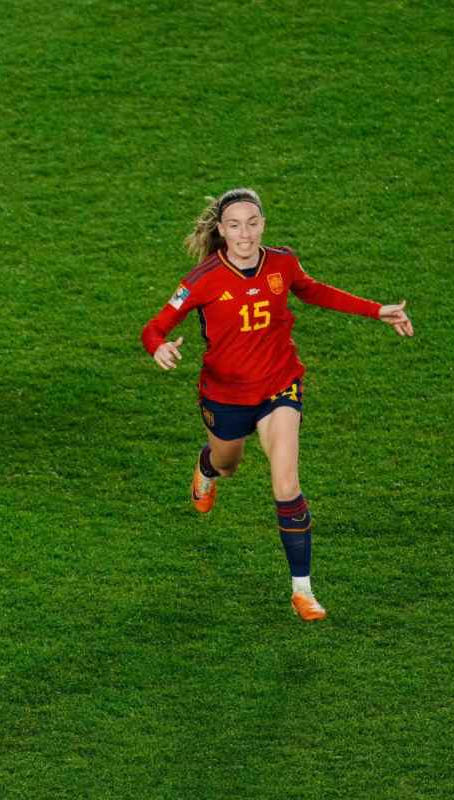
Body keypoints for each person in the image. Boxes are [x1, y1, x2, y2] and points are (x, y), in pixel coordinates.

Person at [141, 187, 414, 622]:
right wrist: (158, 348)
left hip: (278, 387)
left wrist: (375, 310)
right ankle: (208, 467)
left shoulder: (282, 263)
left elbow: (313, 290)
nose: (245, 233)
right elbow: (154, 327)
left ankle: (302, 590)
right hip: (225, 395)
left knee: (286, 485)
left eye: (252, 223)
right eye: (234, 225)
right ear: (221, 231)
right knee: (228, 463)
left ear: (263, 224)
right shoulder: (202, 279)